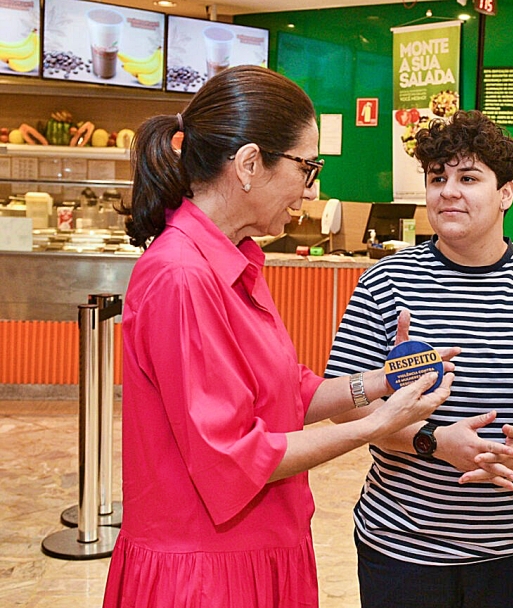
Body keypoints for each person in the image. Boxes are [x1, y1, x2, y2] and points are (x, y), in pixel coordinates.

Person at [103, 66, 454, 607]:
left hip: (260, 547)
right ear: (248, 164)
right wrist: (377, 427)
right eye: (307, 168)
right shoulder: (180, 275)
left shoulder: (236, 261)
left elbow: (293, 393)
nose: (313, 191)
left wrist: (382, 382)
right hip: (205, 574)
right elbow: (233, 456)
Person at [325, 110, 513, 608]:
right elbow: (341, 401)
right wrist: (430, 441)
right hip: (402, 546)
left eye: (468, 178)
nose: (448, 191)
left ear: (506, 193)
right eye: (438, 178)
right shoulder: (386, 281)